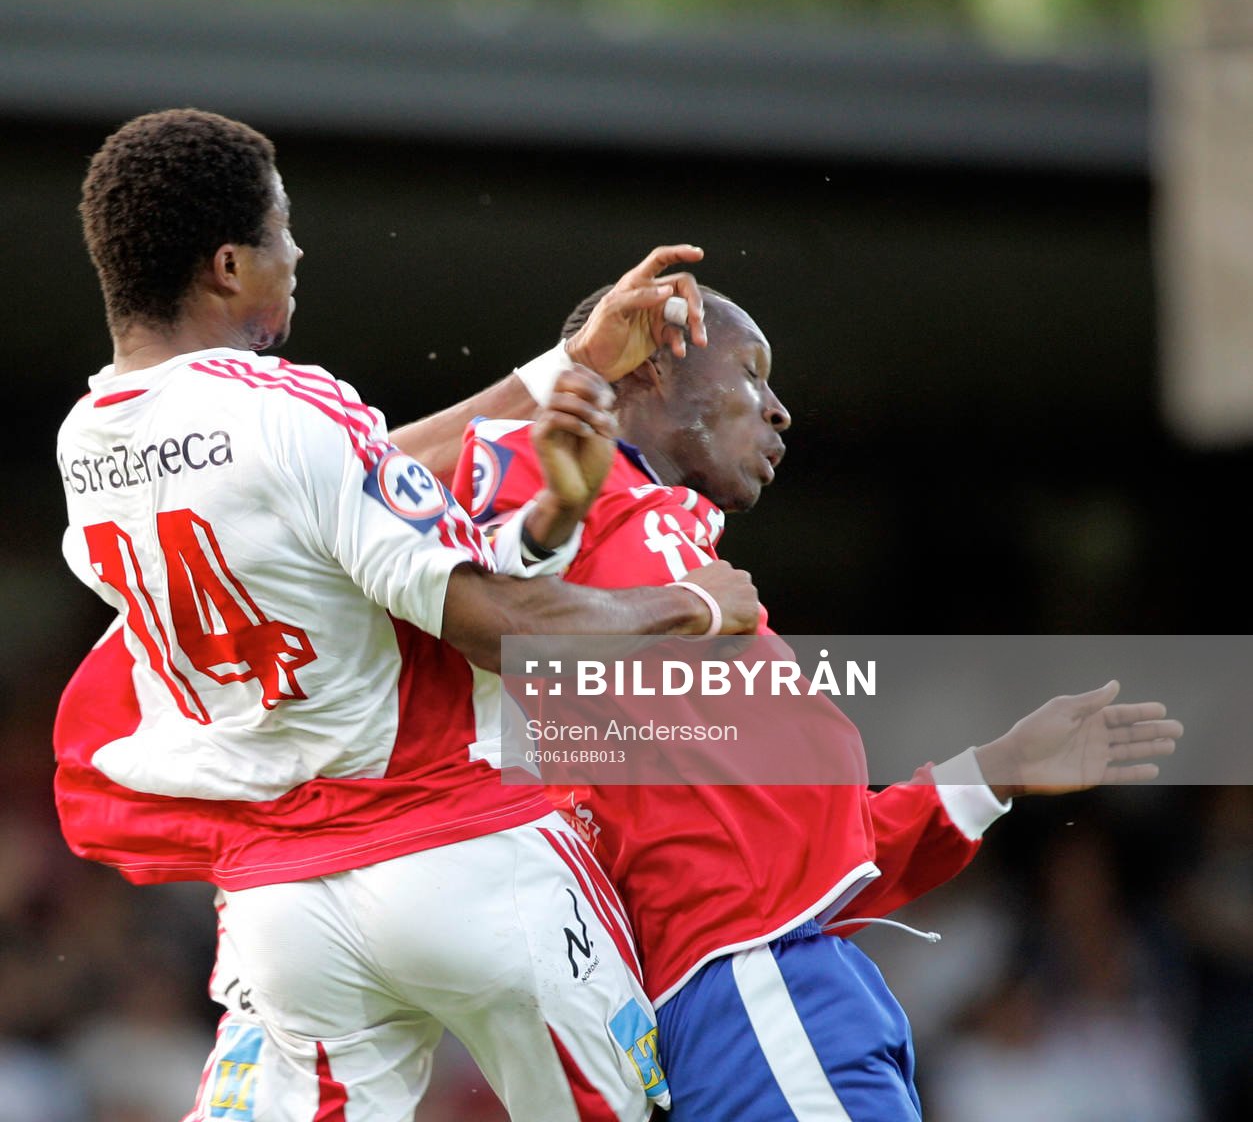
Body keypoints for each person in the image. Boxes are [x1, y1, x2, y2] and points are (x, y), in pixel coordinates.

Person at [55, 108, 762, 1122]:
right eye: (281, 231)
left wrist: (566, 365)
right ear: (228, 266)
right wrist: (690, 605)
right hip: (462, 852)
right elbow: (497, 625)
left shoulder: (89, 440)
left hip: (284, 905)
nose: (297, 254)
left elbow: (339, 473)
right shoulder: (287, 408)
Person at [443, 284, 1183, 1121]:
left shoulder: (693, 574)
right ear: (650, 365)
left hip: (784, 985)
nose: (779, 410)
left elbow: (811, 865)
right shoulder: (552, 468)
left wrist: (993, 771)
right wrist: (589, 495)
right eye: (751, 373)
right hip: (755, 985)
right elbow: (488, 608)